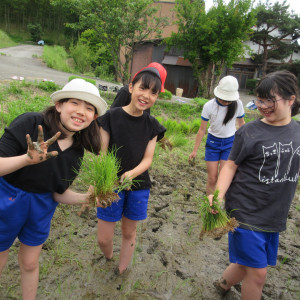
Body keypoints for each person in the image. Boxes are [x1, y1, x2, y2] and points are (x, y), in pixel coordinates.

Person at [0, 78, 107, 300]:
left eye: (89, 108)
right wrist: (26, 160)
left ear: (94, 117)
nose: (81, 112)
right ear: (59, 105)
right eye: (75, 103)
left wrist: (87, 197)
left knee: (30, 263)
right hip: (7, 198)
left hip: (41, 207)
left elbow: (57, 193)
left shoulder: (77, 152)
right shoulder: (31, 124)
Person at [211, 70, 300, 300]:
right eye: (260, 99)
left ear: (291, 100)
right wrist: (218, 195)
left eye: (270, 99)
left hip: (274, 215)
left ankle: (222, 284)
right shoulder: (249, 132)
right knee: (258, 273)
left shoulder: (298, 132)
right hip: (245, 211)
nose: (263, 105)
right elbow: (230, 165)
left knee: (247, 263)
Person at [96, 63, 166, 274]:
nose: (146, 95)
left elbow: (148, 159)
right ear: (131, 87)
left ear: (156, 98)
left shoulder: (153, 125)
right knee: (104, 237)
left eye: (153, 92)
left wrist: (131, 174)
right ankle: (108, 256)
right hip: (111, 185)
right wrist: (100, 185)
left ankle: (121, 270)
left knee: (129, 232)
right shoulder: (111, 117)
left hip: (139, 186)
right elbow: (102, 155)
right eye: (142, 88)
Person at [189, 75, 245, 194]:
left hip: (230, 143)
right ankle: (210, 205)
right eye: (223, 99)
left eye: (228, 100)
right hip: (213, 143)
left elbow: (242, 125)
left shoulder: (238, 104)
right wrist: (194, 150)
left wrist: (246, 144)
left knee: (224, 178)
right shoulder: (209, 106)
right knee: (212, 178)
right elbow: (202, 130)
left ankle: (221, 207)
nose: (225, 102)